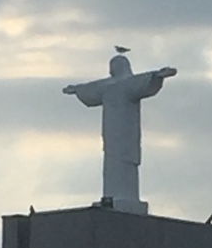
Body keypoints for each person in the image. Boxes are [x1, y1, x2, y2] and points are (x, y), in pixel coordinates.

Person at [63, 54, 177, 213]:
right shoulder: (108, 85)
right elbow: (91, 88)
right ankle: (111, 196)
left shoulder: (128, 83)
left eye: (114, 65)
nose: (111, 69)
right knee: (111, 162)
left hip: (126, 131)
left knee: (126, 160)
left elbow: (145, 80)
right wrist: (76, 90)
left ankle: (127, 197)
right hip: (111, 131)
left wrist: (158, 76)